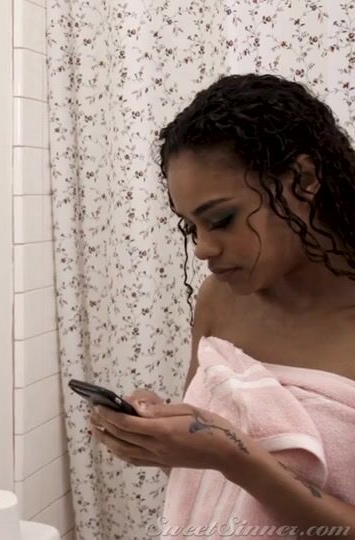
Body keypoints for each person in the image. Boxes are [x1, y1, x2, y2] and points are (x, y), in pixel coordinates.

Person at [89, 74, 355, 533]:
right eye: (191, 227)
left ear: (303, 180)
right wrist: (161, 438)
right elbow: (204, 481)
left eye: (222, 219)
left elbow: (230, 458)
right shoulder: (219, 299)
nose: (202, 249)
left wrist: (230, 455)